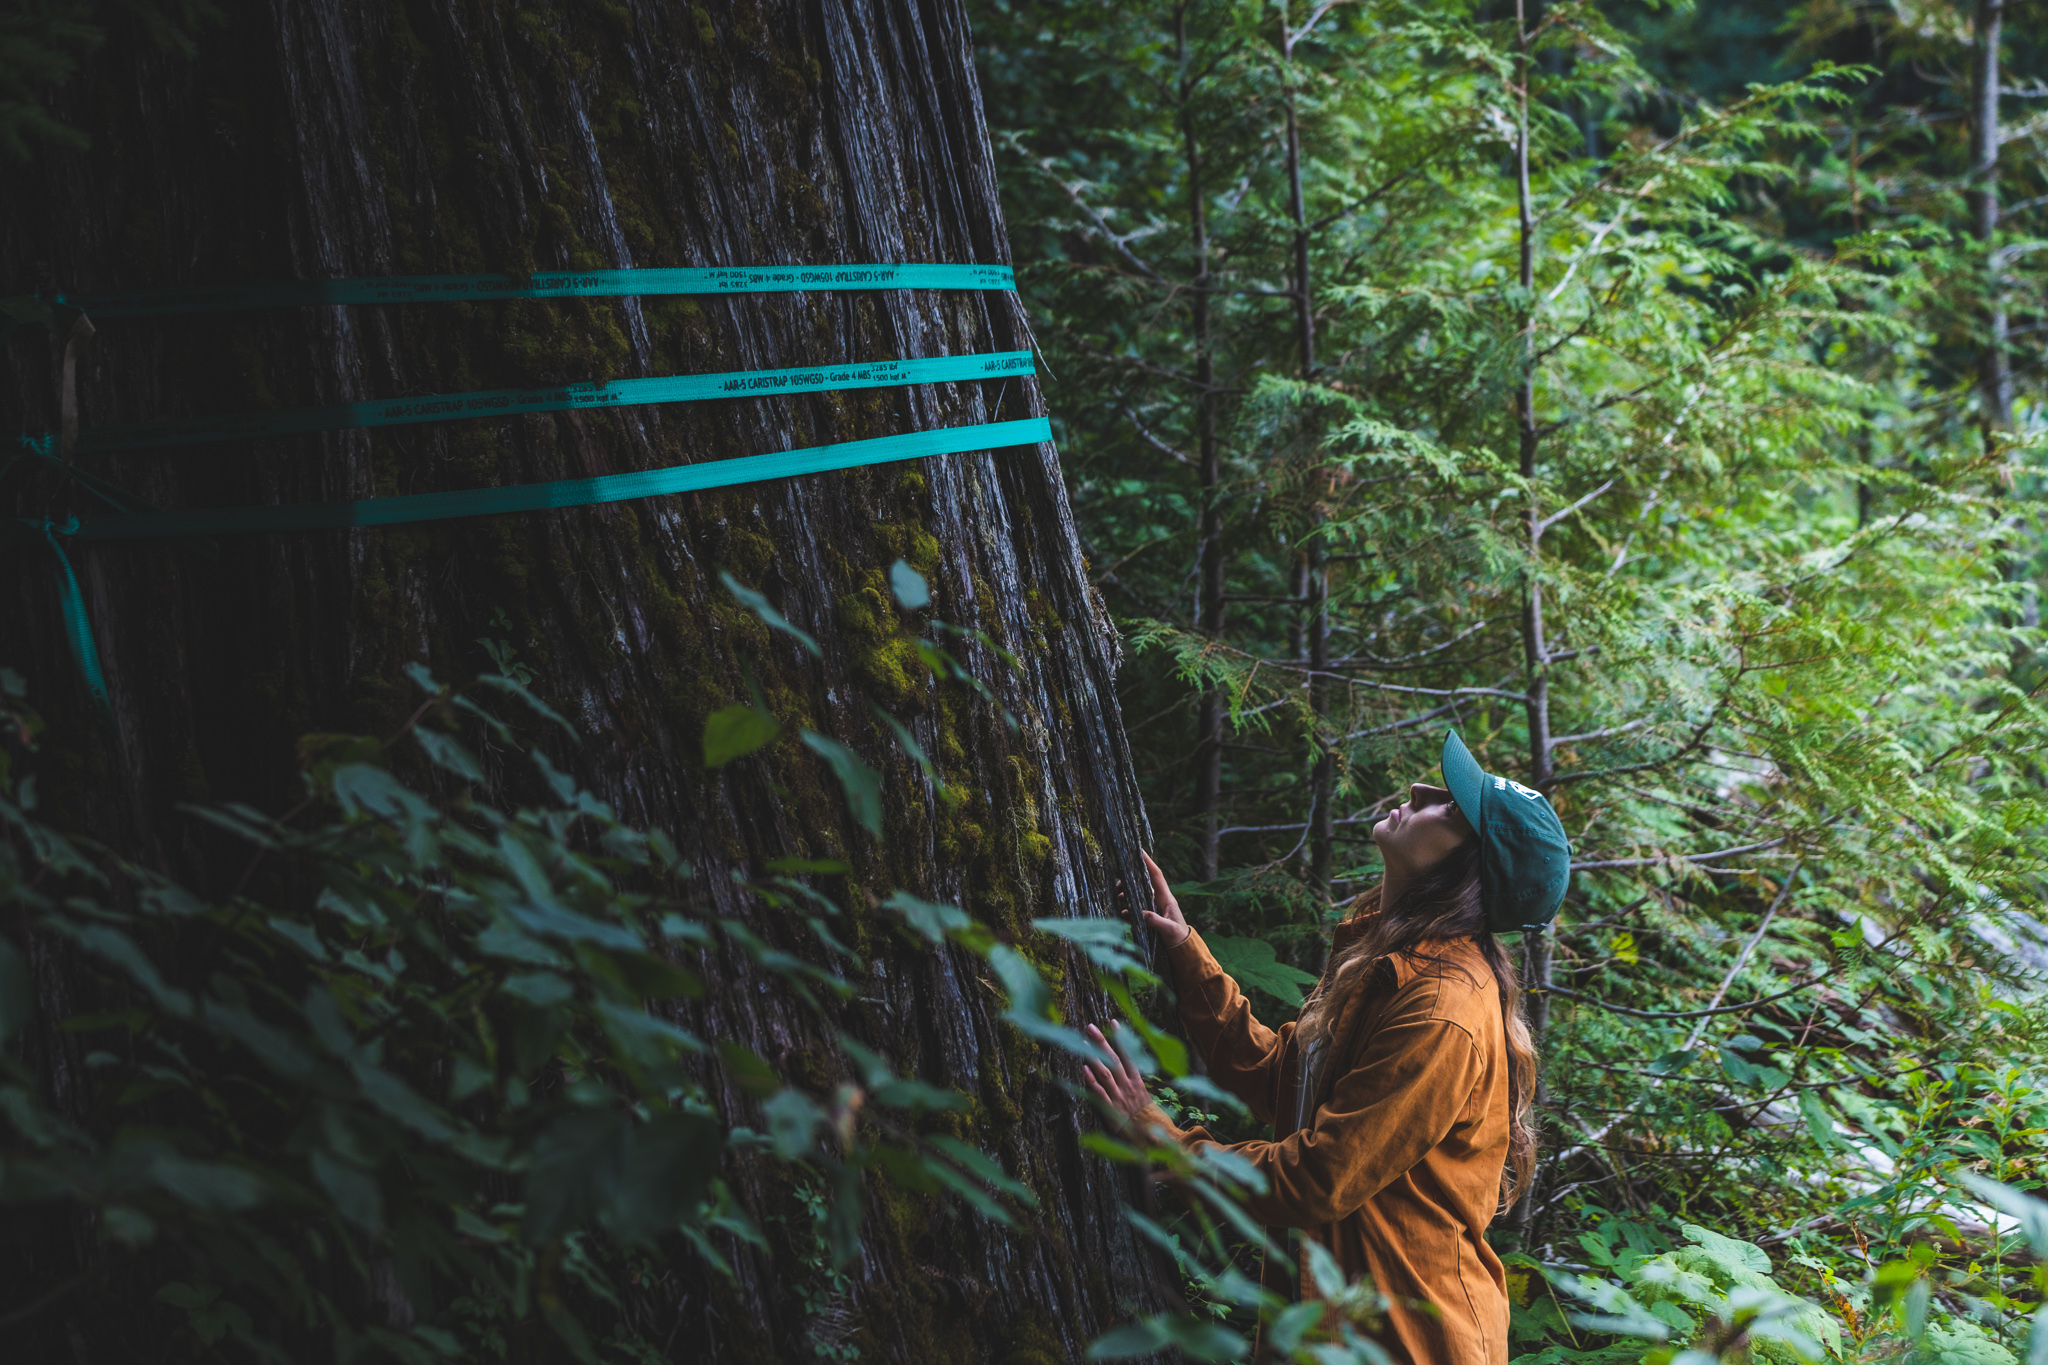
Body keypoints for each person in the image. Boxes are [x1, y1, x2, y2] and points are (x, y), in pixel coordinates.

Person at [1081, 730, 1571, 1365]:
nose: (1421, 791)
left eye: (1450, 807)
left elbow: (1321, 1177)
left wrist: (1168, 1145)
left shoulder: (1443, 1008)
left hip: (1406, 1342)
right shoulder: (1390, 964)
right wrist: (1184, 953)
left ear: (1467, 871)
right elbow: (1282, 1078)